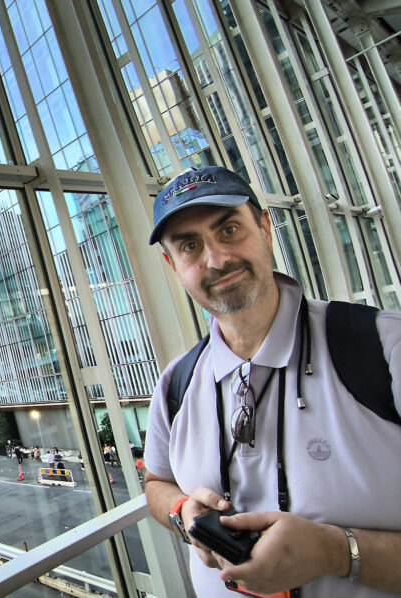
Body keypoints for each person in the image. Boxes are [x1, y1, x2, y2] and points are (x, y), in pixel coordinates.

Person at [143, 166, 401, 597]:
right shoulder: (176, 383)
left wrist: (336, 553)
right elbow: (156, 482)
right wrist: (183, 510)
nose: (216, 259)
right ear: (173, 265)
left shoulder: (384, 348)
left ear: (265, 227)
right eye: (190, 246)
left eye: (228, 229)